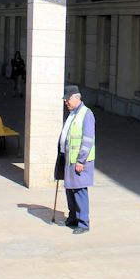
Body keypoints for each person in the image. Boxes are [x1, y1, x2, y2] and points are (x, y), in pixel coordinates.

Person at [56, 85, 95, 234]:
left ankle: (83, 223)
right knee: (70, 190)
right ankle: (73, 218)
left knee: (79, 191)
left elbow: (88, 139)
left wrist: (81, 161)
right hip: (69, 159)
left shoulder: (86, 114)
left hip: (79, 162)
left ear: (75, 98)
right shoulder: (72, 113)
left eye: (67, 100)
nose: (66, 103)